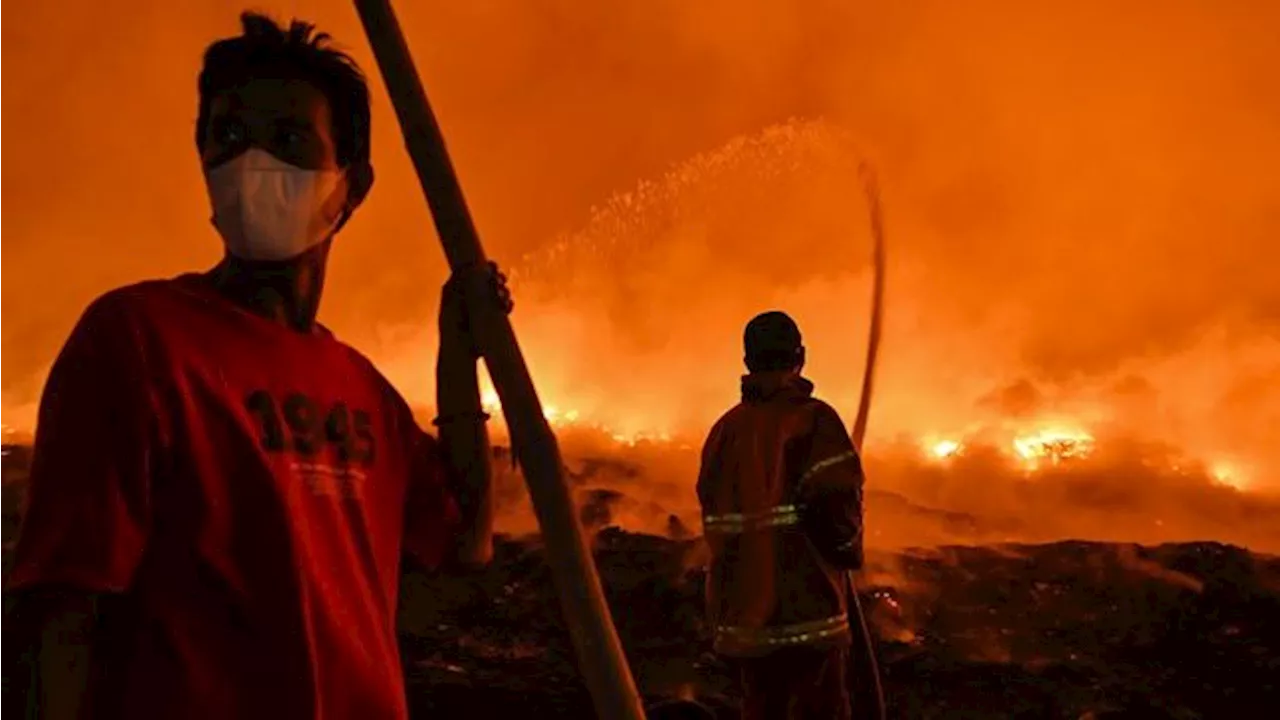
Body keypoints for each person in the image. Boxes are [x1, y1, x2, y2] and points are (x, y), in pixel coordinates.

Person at [4, 12, 505, 720]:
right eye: (229, 137)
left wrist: (459, 357)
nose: (254, 164)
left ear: (350, 187)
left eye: (290, 140)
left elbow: (467, 542)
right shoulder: (140, 341)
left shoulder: (360, 388)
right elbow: (60, 612)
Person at [696, 311, 866, 720]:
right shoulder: (813, 420)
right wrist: (849, 552)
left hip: (745, 622)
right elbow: (838, 504)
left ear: (747, 361)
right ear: (800, 356)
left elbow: (715, 520)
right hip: (809, 616)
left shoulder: (724, 432)